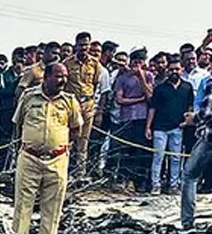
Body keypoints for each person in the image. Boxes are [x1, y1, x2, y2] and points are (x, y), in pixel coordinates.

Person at [12, 63, 82, 234]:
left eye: (66, 76)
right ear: (47, 76)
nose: (63, 81)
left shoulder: (70, 101)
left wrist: (57, 145)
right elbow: (18, 124)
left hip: (57, 160)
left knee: (53, 204)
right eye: (59, 76)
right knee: (23, 202)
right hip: (29, 158)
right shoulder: (28, 97)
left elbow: (75, 129)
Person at [147, 65, 193, 194]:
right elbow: (152, 108)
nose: (174, 72)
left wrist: (186, 122)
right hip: (160, 128)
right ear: (168, 71)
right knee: (158, 157)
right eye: (172, 69)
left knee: (176, 158)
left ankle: (174, 185)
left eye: (177, 69)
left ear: (181, 70)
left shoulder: (187, 87)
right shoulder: (160, 88)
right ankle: (155, 185)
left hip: (178, 127)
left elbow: (190, 106)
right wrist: (148, 127)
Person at [112, 50, 154, 190]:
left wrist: (141, 78)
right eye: (135, 61)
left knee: (141, 152)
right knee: (126, 150)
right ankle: (124, 179)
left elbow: (150, 97)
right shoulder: (122, 78)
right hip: (127, 118)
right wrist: (139, 100)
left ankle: (139, 181)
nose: (137, 64)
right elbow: (119, 99)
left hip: (143, 118)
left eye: (140, 62)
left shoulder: (148, 76)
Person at [65, 35, 105, 174]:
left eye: (86, 45)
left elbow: (95, 83)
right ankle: (65, 170)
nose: (84, 48)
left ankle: (80, 172)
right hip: (72, 105)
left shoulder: (95, 63)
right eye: (81, 45)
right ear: (76, 45)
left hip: (87, 104)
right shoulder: (67, 63)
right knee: (69, 139)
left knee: (84, 141)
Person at [181, 92, 212, 229]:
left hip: (208, 142)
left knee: (190, 176)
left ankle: (187, 222)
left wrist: (192, 119)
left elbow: (206, 115)